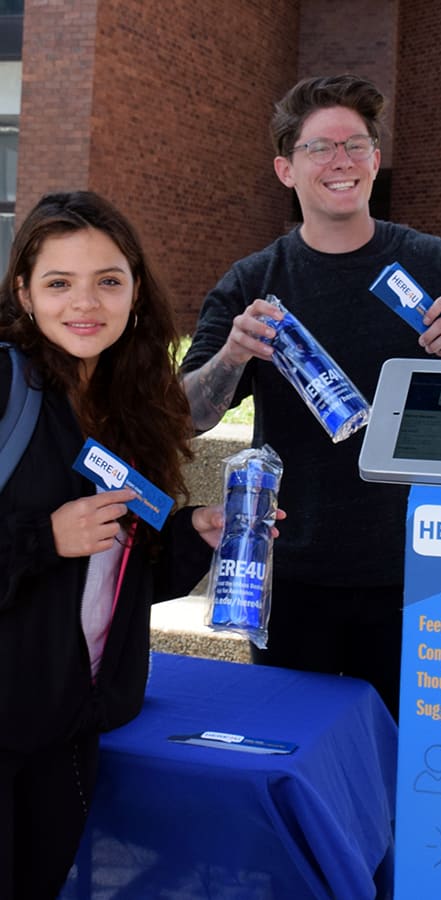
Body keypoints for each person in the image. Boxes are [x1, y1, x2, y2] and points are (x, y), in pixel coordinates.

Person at [181, 73, 441, 720]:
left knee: (399, 778)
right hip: (292, 575)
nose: (342, 162)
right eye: (320, 149)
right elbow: (188, 416)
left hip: (426, 573)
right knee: (296, 765)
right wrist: (231, 355)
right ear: (285, 169)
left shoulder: (435, 264)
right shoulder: (255, 282)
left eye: (356, 145)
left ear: (375, 159)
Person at [0, 191, 231, 899]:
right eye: (59, 283)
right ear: (24, 293)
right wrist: (45, 537)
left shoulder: (134, 402)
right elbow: (59, 549)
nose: (86, 303)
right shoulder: (5, 384)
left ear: (135, 287)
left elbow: (125, 575)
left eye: (108, 280)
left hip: (73, 726)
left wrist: (193, 536)